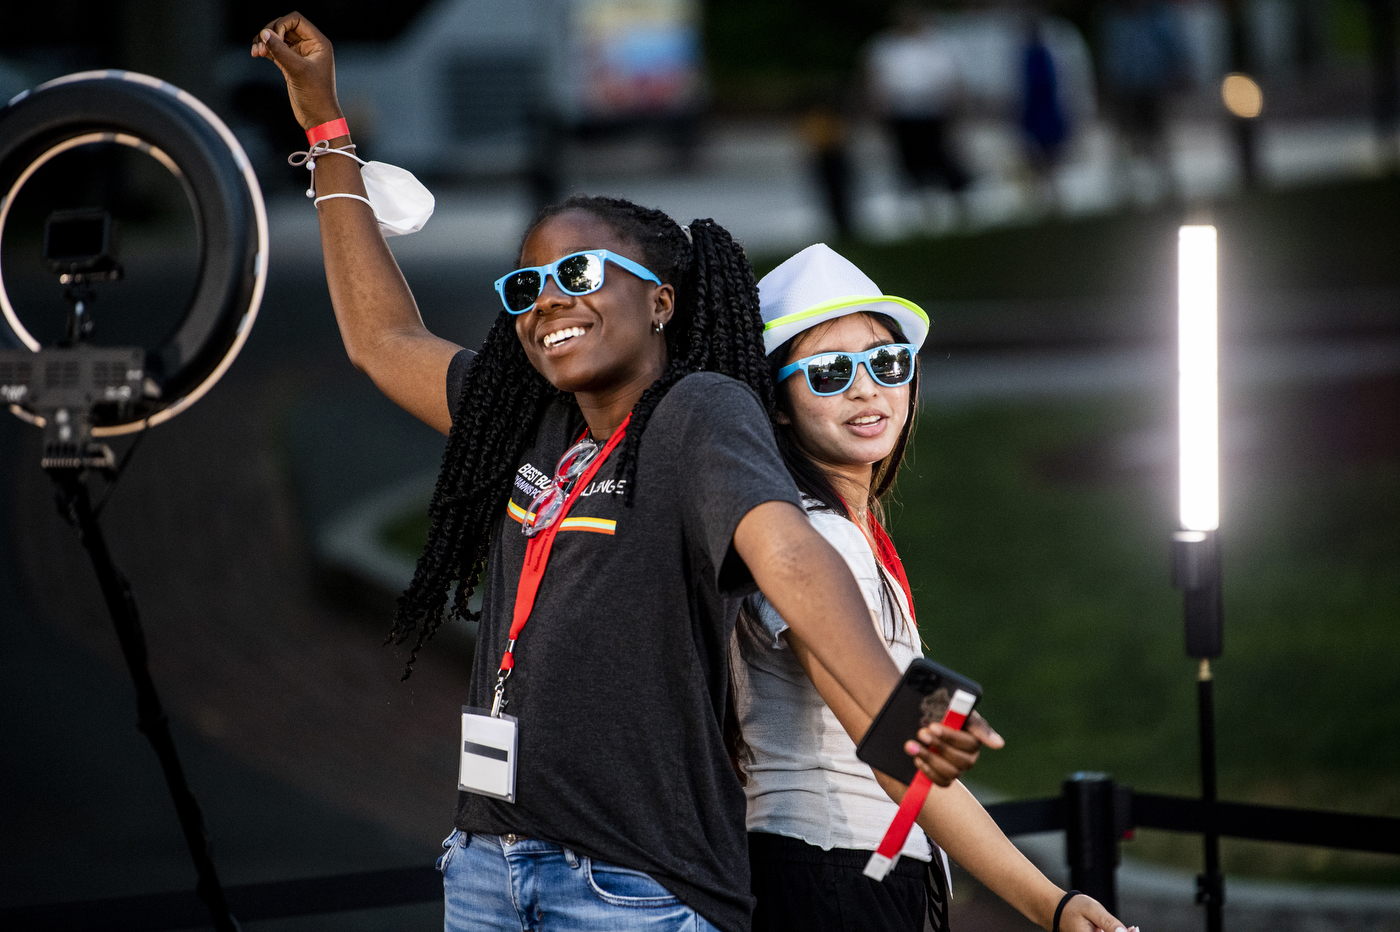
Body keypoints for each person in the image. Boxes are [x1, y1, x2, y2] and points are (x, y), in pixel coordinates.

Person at [251, 14, 992, 932]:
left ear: (660, 300)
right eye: (525, 286)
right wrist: (326, 130)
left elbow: (796, 561)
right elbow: (382, 340)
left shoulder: (697, 413)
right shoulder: (524, 419)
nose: (547, 300)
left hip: (631, 886)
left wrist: (897, 711)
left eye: (580, 271)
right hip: (488, 862)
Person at [732, 244, 1139, 932]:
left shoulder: (846, 533)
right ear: (775, 403)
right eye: (830, 372)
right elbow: (897, 745)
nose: (867, 389)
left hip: (845, 870)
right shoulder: (815, 540)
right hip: (828, 873)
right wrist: (1053, 903)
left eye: (888, 363)